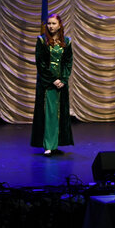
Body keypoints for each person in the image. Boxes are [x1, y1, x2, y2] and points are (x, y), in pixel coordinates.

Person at [31, 13, 73, 155]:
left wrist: (63, 79)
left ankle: (56, 143)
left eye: (54, 23)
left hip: (61, 84)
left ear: (59, 25)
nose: (51, 26)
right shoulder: (42, 41)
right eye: (49, 23)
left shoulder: (67, 42)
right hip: (47, 84)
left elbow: (68, 62)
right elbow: (41, 64)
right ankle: (48, 144)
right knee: (48, 114)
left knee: (58, 114)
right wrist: (52, 80)